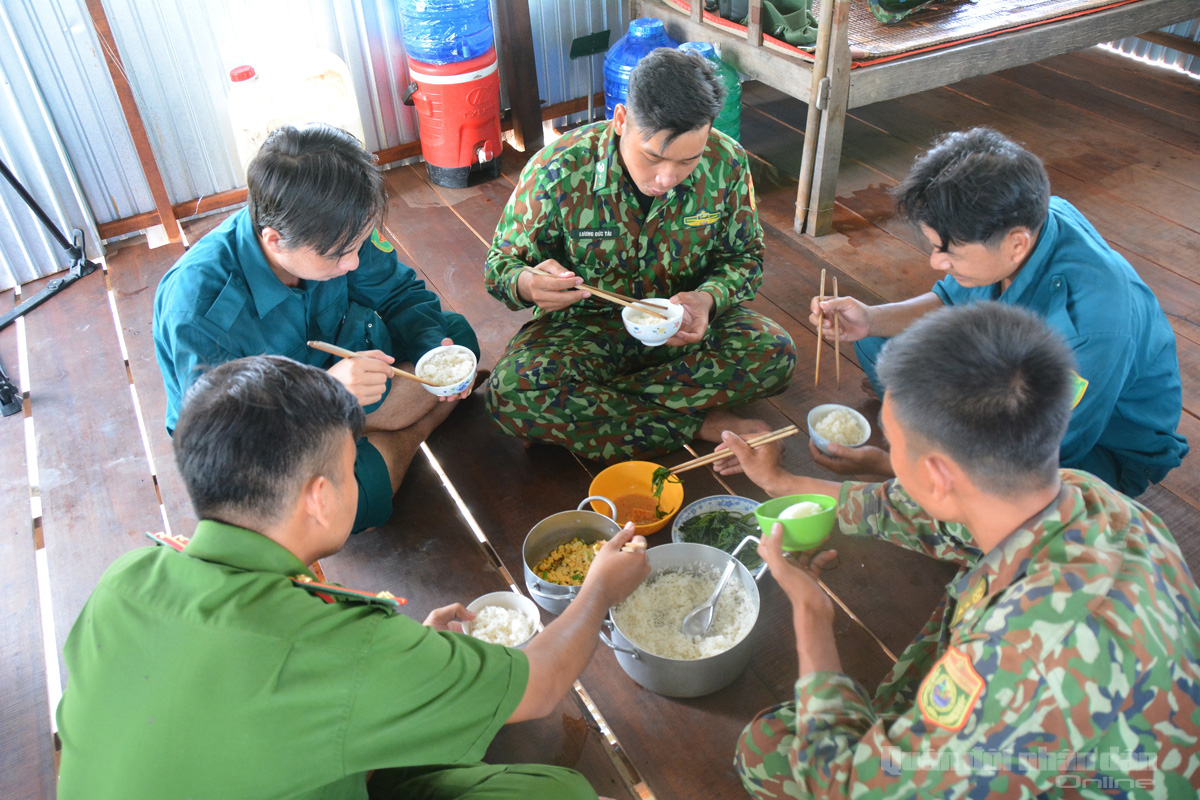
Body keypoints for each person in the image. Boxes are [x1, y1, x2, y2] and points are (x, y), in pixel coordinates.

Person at [56, 355, 650, 800]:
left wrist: (402, 664)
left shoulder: (125, 578)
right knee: (560, 793)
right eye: (350, 465)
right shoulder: (339, 643)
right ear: (319, 497)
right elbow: (542, 685)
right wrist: (600, 586)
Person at [718, 303, 1200, 797]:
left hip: (1086, 771)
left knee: (767, 748)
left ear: (937, 476)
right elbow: (916, 511)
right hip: (1111, 746)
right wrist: (782, 483)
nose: (889, 457)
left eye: (893, 444)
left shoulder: (1018, 658)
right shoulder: (1087, 495)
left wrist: (811, 614)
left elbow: (843, 786)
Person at [808, 127, 1186, 496]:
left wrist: (892, 466)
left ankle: (939, 454)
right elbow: (950, 301)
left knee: (999, 510)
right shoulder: (1025, 216)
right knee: (879, 339)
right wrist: (870, 318)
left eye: (948, 251)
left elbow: (1041, 456)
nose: (936, 262)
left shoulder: (1092, 324)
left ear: (1016, 244)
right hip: (1009, 372)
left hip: (1091, 447)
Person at [154, 123, 480, 534]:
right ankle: (411, 429)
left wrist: (432, 348)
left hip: (349, 377)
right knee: (345, 505)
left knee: (455, 340)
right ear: (274, 240)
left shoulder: (339, 226)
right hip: (276, 430)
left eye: (359, 244)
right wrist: (324, 396)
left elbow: (399, 294)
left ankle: (367, 437)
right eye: (339, 255)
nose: (354, 262)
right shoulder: (200, 307)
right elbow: (223, 445)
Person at [483, 48, 796, 461]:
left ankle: (580, 412)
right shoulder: (559, 167)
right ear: (620, 120)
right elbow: (500, 267)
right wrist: (527, 284)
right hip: (584, 330)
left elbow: (746, 258)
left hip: (682, 329)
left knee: (774, 353)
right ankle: (701, 423)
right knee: (511, 390)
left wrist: (708, 299)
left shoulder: (727, 162)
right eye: (653, 157)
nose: (667, 178)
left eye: (688, 160)